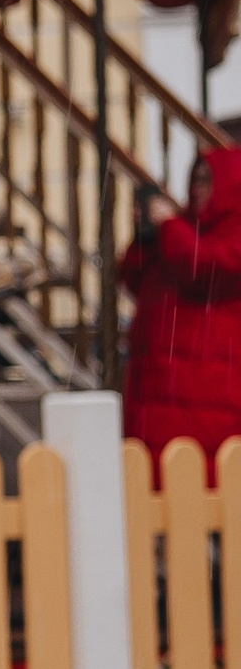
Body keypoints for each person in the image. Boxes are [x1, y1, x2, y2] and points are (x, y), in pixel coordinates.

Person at [122, 147, 241, 473]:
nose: (198, 189)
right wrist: (146, 237)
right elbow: (133, 277)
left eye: (208, 181)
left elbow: (202, 271)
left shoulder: (229, 231)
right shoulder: (183, 229)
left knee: (197, 481)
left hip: (204, 393)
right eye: (196, 180)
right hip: (158, 389)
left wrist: (170, 224)